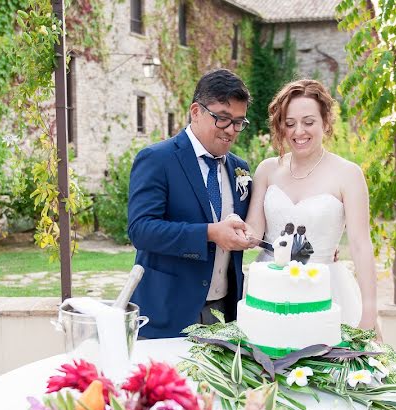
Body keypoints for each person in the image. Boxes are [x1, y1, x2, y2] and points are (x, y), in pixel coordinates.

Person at [243, 79, 381, 336]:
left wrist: (369, 309)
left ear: (325, 122)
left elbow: (361, 244)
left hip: (325, 290)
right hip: (269, 292)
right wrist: (237, 229)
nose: (299, 132)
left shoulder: (348, 174)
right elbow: (254, 230)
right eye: (290, 123)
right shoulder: (267, 170)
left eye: (308, 122)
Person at [128, 69, 252, 339]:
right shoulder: (157, 159)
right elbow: (141, 230)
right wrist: (209, 233)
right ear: (196, 111)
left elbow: (255, 223)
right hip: (167, 313)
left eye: (239, 122)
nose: (231, 130)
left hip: (225, 315)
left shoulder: (239, 169)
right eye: (222, 118)